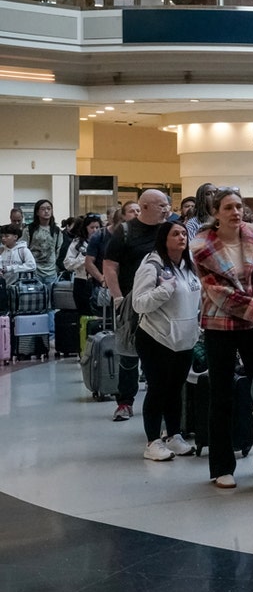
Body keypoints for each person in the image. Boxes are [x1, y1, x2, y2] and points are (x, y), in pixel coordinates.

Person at [191, 187, 253, 489]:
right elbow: (220, 294)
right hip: (219, 326)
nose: (235, 212)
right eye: (228, 208)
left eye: (238, 206)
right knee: (221, 395)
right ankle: (222, 466)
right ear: (215, 213)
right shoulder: (201, 246)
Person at [130, 220, 202, 461]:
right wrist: (164, 291)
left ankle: (174, 435)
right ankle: (152, 441)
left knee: (175, 390)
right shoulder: (152, 265)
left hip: (185, 339)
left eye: (184, 234)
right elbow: (138, 303)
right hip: (156, 338)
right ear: (164, 239)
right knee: (157, 390)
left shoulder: (189, 265)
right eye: (175, 234)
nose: (182, 237)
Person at [104, 190, 171, 422]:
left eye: (167, 205)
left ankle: (162, 404)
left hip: (163, 302)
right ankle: (125, 402)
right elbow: (110, 267)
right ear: (144, 207)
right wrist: (118, 298)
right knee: (128, 354)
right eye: (161, 205)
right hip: (131, 301)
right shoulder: (125, 231)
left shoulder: (169, 231)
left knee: (161, 356)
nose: (166, 209)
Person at [63, 214, 102, 315]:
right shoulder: (77, 243)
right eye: (92, 227)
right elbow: (67, 264)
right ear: (86, 228)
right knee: (83, 314)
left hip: (99, 281)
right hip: (82, 281)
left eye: (97, 227)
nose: (95, 230)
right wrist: (84, 260)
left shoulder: (104, 242)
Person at [21, 199, 62, 288]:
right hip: (34, 272)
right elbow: (23, 249)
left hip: (51, 272)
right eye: (43, 209)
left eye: (49, 208)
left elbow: (59, 250)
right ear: (37, 212)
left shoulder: (56, 231)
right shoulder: (29, 230)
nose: (46, 211)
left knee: (50, 299)